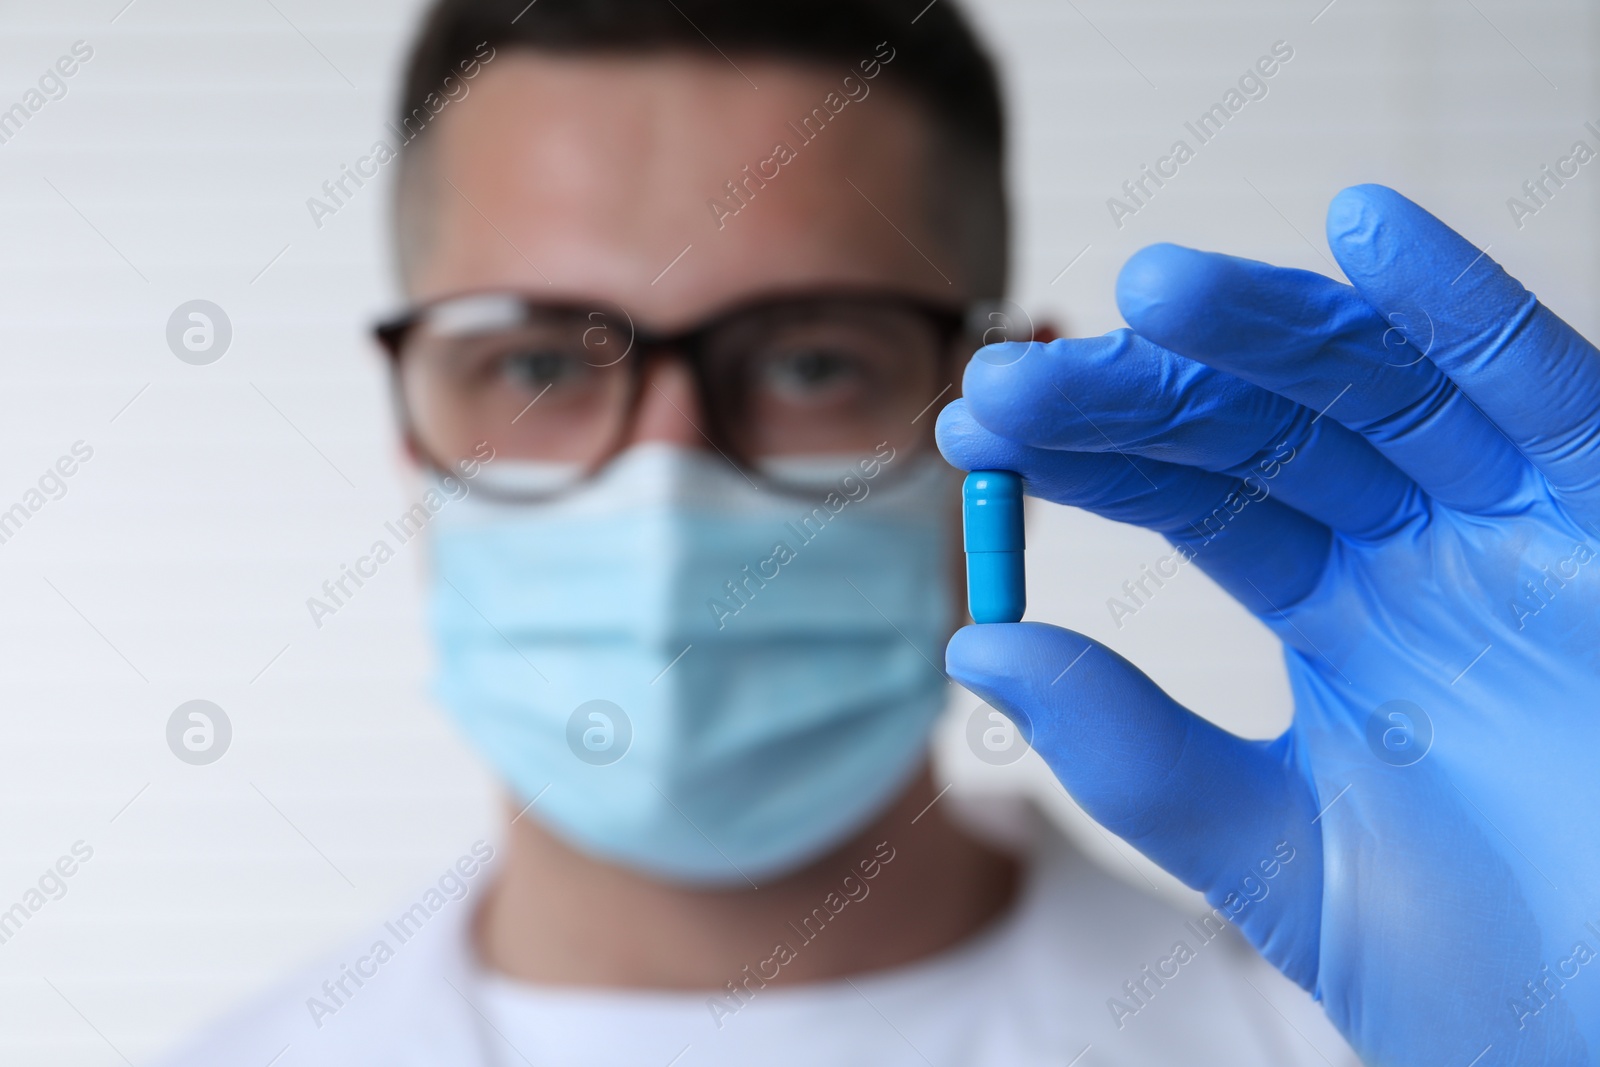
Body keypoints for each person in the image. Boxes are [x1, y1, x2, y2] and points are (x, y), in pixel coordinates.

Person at [159, 0, 1600, 1064]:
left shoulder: (1361, 1037)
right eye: (540, 364)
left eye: (808, 362)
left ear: (999, 400)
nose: (667, 486)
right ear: (413, 418)